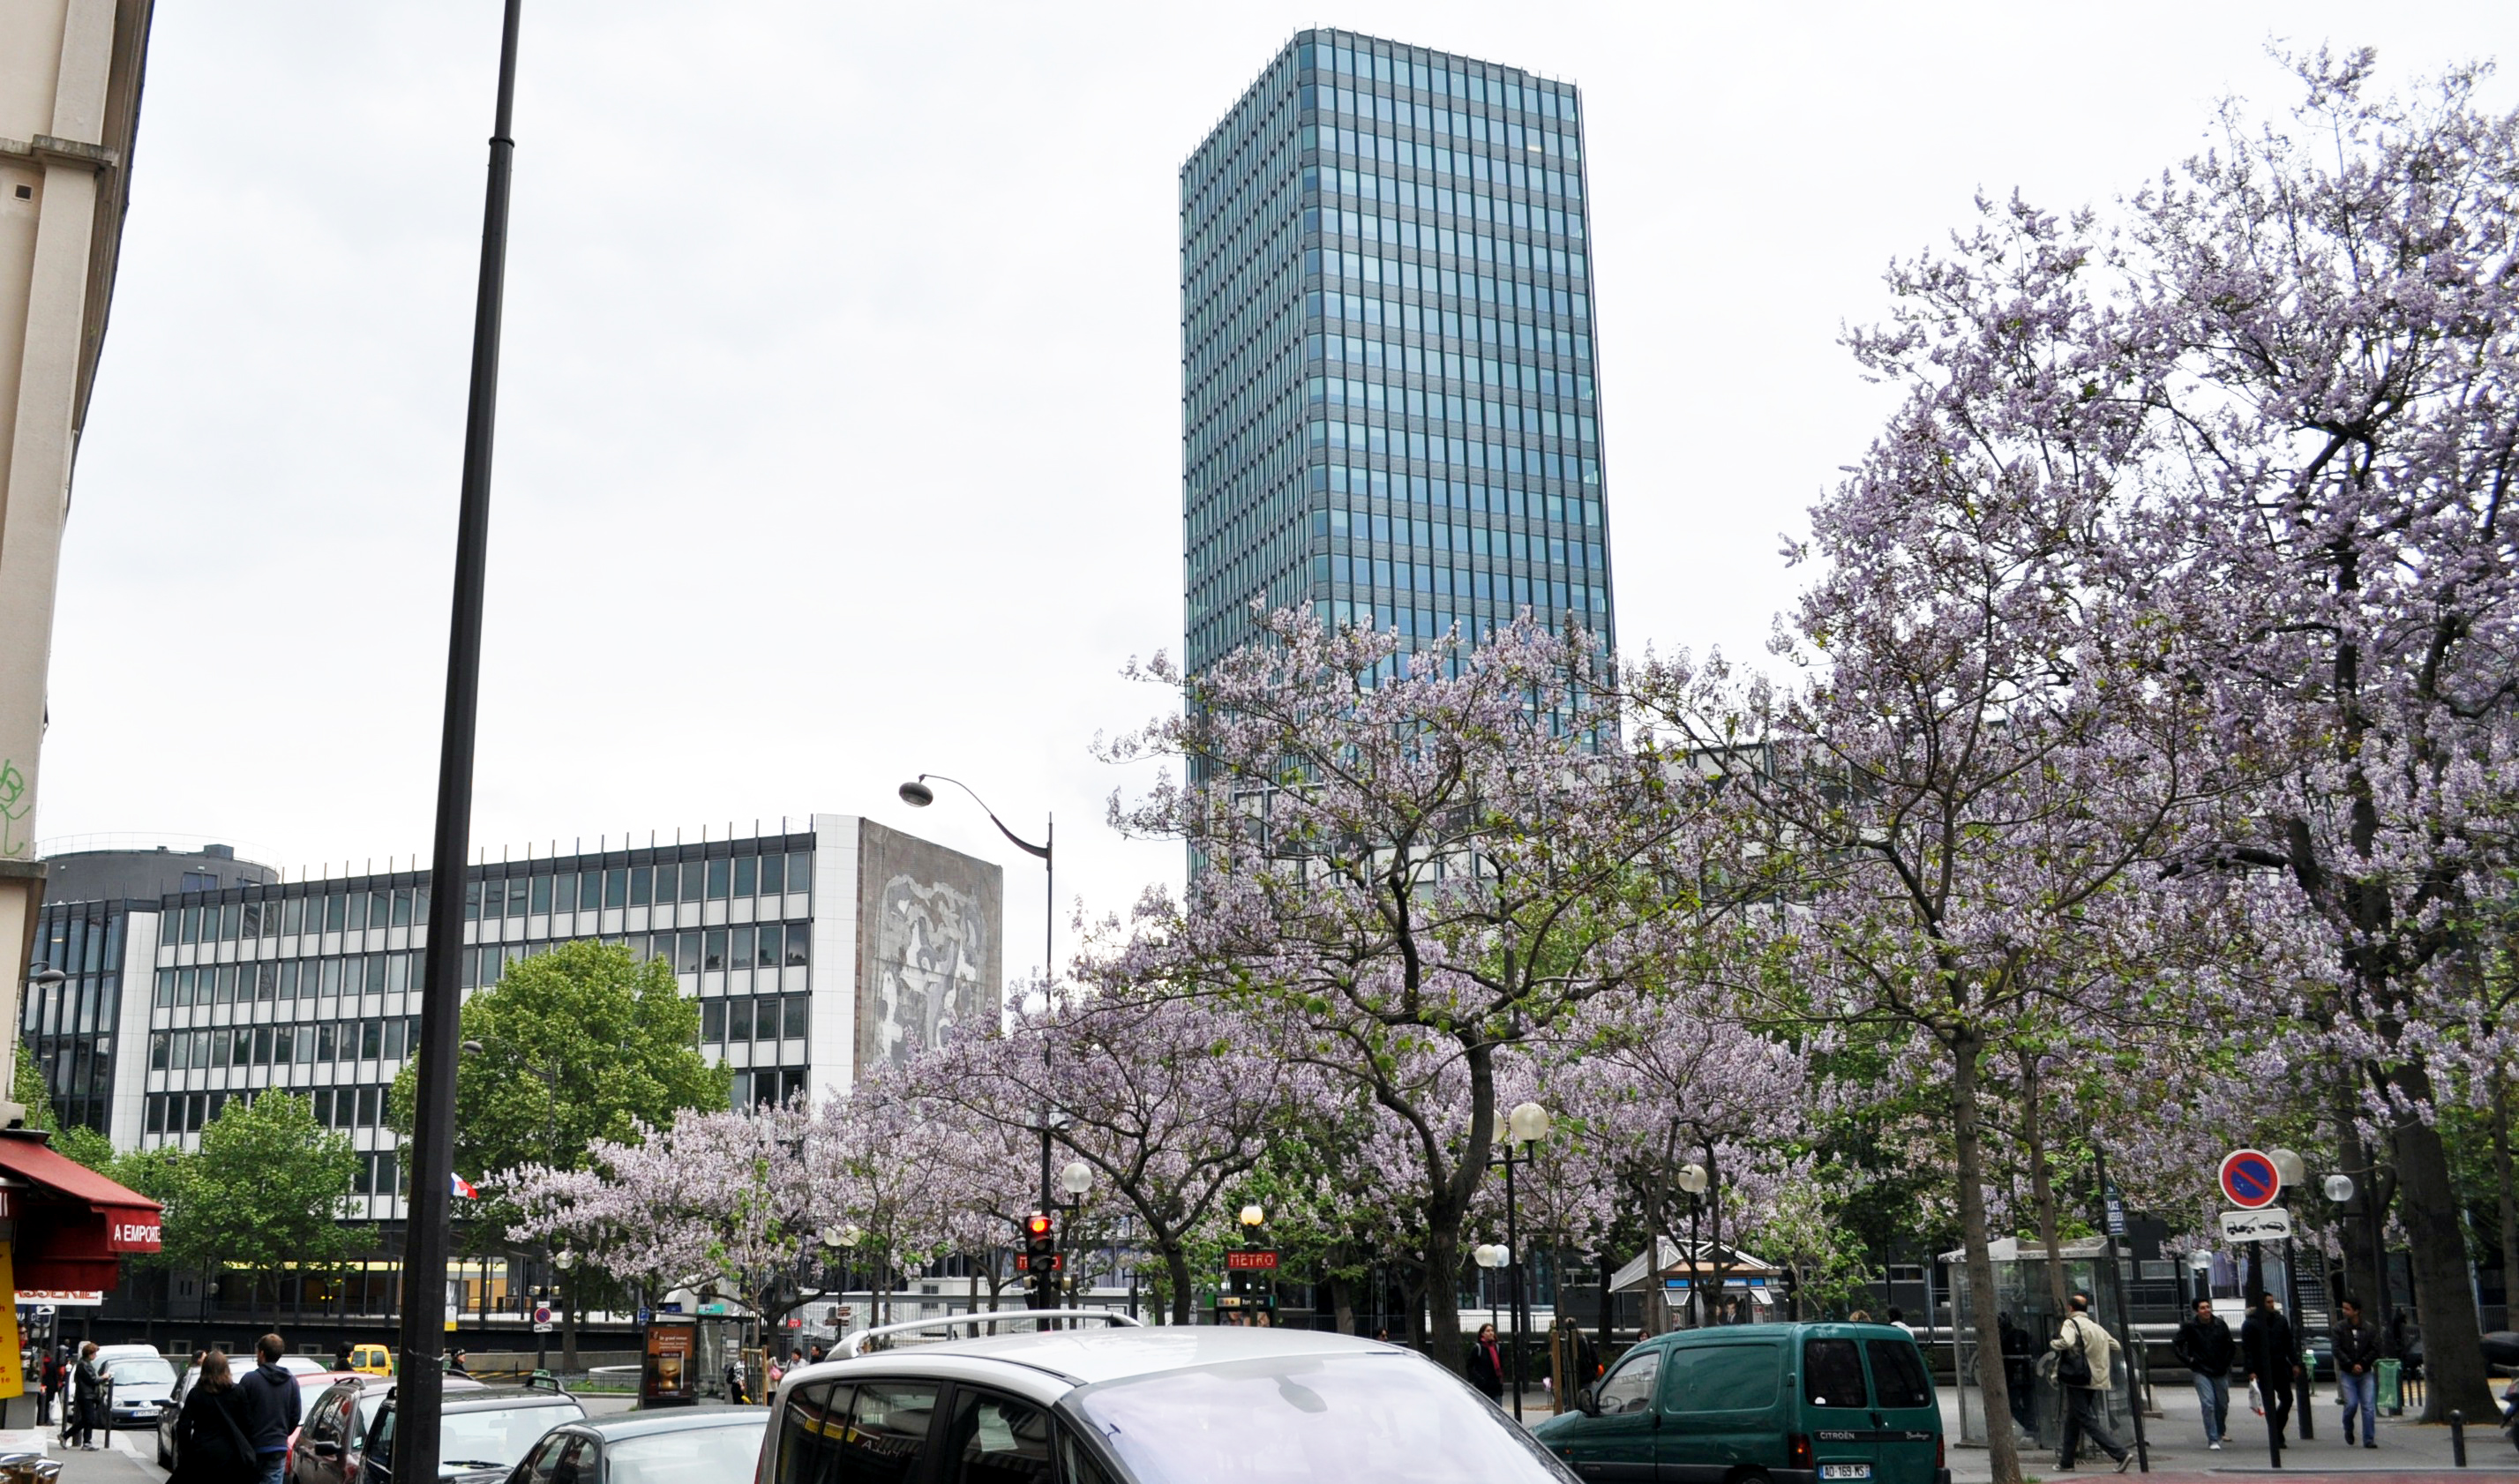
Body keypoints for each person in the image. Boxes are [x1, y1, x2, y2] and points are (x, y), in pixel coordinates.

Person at [2050, 1293, 2132, 1472]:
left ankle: (2120, 1453)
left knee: (2086, 1420)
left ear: (2071, 1308)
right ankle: (2066, 1462)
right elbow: (2115, 1345)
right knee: (2073, 1420)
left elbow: (2067, 1341)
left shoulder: (2070, 1323)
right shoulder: (2096, 1327)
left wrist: (2053, 1344)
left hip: (2077, 1378)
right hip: (2095, 1379)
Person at [172, 1350, 262, 1484]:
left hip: (201, 1454)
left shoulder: (196, 1394)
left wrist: (187, 1452)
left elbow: (183, 1426)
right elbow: (248, 1425)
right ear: (226, 1369)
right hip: (231, 1455)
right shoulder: (237, 1392)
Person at [235, 1333, 303, 1484]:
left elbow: (238, 1413)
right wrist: (283, 1432)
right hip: (277, 1446)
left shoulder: (249, 1380)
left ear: (262, 1353)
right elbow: (296, 1415)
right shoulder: (291, 1381)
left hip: (252, 1447)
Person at [2172, 1297, 2237, 1450]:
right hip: (2201, 1369)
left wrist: (2226, 1362)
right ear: (2196, 1311)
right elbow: (2176, 1343)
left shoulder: (2220, 1325)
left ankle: (2220, 1430)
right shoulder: (2190, 1327)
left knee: (2222, 1404)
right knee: (2208, 1403)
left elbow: (2230, 1345)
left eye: (2208, 1307)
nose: (2206, 1310)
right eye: (2202, 1308)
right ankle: (2213, 1438)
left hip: (2220, 1369)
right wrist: (2188, 1360)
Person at [2241, 1293, 2301, 1443]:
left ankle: (2276, 1430)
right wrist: (2251, 1370)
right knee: (2269, 1403)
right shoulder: (2251, 1323)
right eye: (2268, 1302)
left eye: (2272, 1301)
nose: (2272, 1304)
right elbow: (2247, 1349)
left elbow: (2288, 1343)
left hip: (2280, 1365)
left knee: (2287, 1399)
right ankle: (2277, 1435)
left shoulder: (2280, 1320)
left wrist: (2295, 1362)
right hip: (2262, 1368)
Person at [2333, 1297, 2381, 1450]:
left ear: (2356, 1311)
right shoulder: (2339, 1328)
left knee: (2368, 1406)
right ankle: (2348, 1426)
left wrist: (2362, 1364)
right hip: (2348, 1372)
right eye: (2344, 1308)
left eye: (2347, 1308)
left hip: (2365, 1372)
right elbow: (2337, 1349)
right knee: (2352, 1405)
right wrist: (2350, 1364)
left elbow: (2375, 1349)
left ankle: (2369, 1439)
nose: (2344, 1311)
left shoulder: (2369, 1329)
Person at [1998, 1314, 2037, 1432]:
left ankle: (2030, 1426)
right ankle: (2031, 1426)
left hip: (2015, 1375)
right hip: (2024, 1374)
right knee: (2026, 1404)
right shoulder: (2020, 1334)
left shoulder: (2009, 1336)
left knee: (2016, 1404)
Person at [70, 1341, 104, 1450]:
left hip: (86, 1395)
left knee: (87, 1420)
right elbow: (93, 1380)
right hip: (86, 1395)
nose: (95, 1356)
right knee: (88, 1419)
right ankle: (84, 1441)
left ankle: (86, 1442)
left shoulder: (85, 1364)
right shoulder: (84, 1365)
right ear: (89, 1354)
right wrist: (104, 1377)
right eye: (94, 1353)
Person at [1467, 1323, 1505, 1402]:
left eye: (1492, 1330)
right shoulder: (1478, 1348)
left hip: (1496, 1387)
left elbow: (1501, 1366)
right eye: (1488, 1331)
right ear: (1482, 1334)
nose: (1491, 1333)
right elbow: (1469, 1366)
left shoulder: (1497, 1348)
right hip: (1483, 1387)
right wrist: (1480, 1378)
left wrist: (1500, 1381)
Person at [36, 1345, 62, 1426]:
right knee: (47, 1404)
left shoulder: (39, 1363)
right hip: (50, 1385)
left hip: (41, 1384)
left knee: (40, 1403)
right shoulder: (52, 1363)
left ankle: (39, 1419)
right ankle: (46, 1419)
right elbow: (55, 1375)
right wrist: (56, 1387)